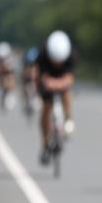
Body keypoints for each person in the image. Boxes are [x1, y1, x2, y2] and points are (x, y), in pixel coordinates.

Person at [33, 30, 77, 165]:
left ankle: (68, 119)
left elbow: (70, 78)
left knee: (66, 93)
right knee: (46, 107)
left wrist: (59, 84)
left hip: (61, 78)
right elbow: (38, 75)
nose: (57, 63)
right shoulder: (43, 55)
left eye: (60, 61)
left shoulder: (71, 55)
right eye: (55, 61)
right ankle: (45, 142)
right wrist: (41, 86)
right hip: (47, 79)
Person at [0, 42, 17, 111]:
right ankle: (3, 95)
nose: (2, 60)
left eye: (3, 59)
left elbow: (11, 72)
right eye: (0, 59)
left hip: (8, 73)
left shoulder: (10, 60)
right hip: (1, 75)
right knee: (4, 79)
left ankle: (8, 94)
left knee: (10, 78)